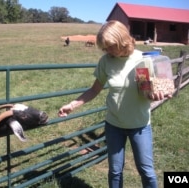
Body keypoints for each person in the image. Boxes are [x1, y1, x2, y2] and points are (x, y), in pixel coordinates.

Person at [58, 20, 172, 188]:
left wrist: (156, 95)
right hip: (114, 126)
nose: (107, 51)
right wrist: (73, 105)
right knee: (115, 171)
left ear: (122, 40)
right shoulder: (106, 61)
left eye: (110, 46)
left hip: (140, 125)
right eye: (104, 47)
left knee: (146, 171)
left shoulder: (143, 60)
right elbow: (94, 90)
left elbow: (148, 91)